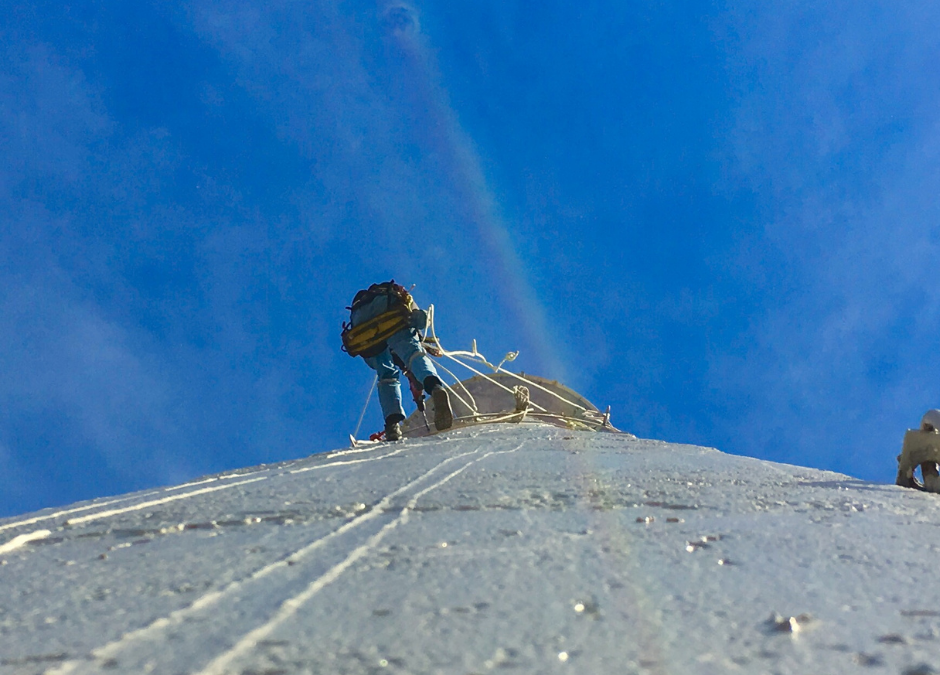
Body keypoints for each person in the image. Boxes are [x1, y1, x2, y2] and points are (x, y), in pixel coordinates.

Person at [342, 281, 454, 441]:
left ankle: (392, 426)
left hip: (362, 327)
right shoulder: (395, 296)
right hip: (389, 310)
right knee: (413, 354)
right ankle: (435, 387)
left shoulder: (363, 304)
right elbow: (420, 319)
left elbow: (404, 369)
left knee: (386, 375)